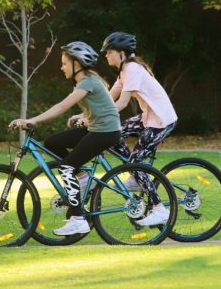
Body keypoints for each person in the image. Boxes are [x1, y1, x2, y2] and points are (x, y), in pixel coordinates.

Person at [9, 41, 121, 236]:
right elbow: (100, 107)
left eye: (64, 63)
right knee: (52, 143)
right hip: (97, 128)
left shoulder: (87, 82)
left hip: (105, 133)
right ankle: (84, 178)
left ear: (77, 63)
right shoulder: (85, 82)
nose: (62, 67)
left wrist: (30, 121)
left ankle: (78, 219)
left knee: (66, 167)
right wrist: (82, 118)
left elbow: (61, 106)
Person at [102, 31, 179, 227]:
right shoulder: (124, 71)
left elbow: (122, 103)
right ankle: (137, 176)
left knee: (136, 161)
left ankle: (159, 209)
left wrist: (97, 116)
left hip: (161, 120)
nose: (105, 55)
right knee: (114, 134)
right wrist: (86, 115)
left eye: (108, 52)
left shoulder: (132, 69)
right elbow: (109, 98)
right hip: (148, 118)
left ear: (120, 53)